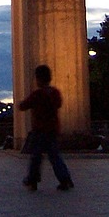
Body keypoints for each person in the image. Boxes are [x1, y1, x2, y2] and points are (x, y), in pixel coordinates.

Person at [19, 64, 74, 192]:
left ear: (38, 79)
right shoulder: (55, 92)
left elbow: (24, 105)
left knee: (36, 156)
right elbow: (58, 104)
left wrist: (21, 104)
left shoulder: (37, 94)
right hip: (53, 129)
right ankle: (65, 178)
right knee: (55, 156)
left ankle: (32, 179)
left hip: (39, 130)